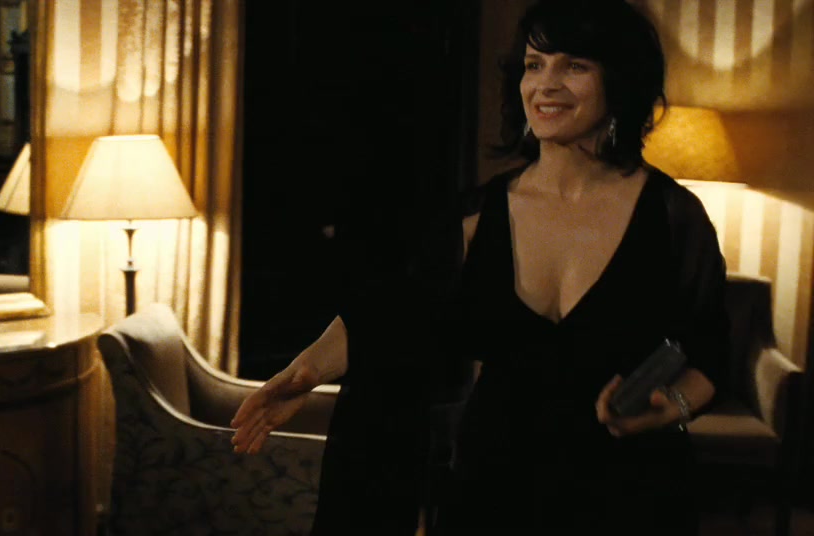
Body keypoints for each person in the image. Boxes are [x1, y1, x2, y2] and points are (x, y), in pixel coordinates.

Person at [230, 0, 728, 534]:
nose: (546, 84)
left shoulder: (675, 219)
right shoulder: (474, 217)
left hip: (631, 497)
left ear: (620, 81)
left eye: (575, 65)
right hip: (492, 489)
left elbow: (710, 359)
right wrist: (305, 372)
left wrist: (670, 407)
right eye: (534, 64)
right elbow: (391, 315)